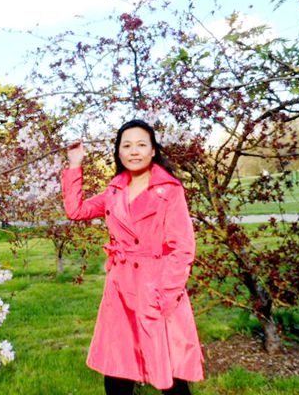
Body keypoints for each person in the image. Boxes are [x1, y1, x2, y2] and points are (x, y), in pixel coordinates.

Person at [61, 120, 204, 395]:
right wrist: (75, 164)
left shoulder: (169, 190)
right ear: (119, 152)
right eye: (126, 145)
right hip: (120, 290)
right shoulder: (115, 190)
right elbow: (76, 211)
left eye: (141, 144)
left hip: (156, 288)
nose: (134, 151)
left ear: (153, 150)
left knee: (170, 375)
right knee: (117, 371)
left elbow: (183, 247)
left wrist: (164, 296)